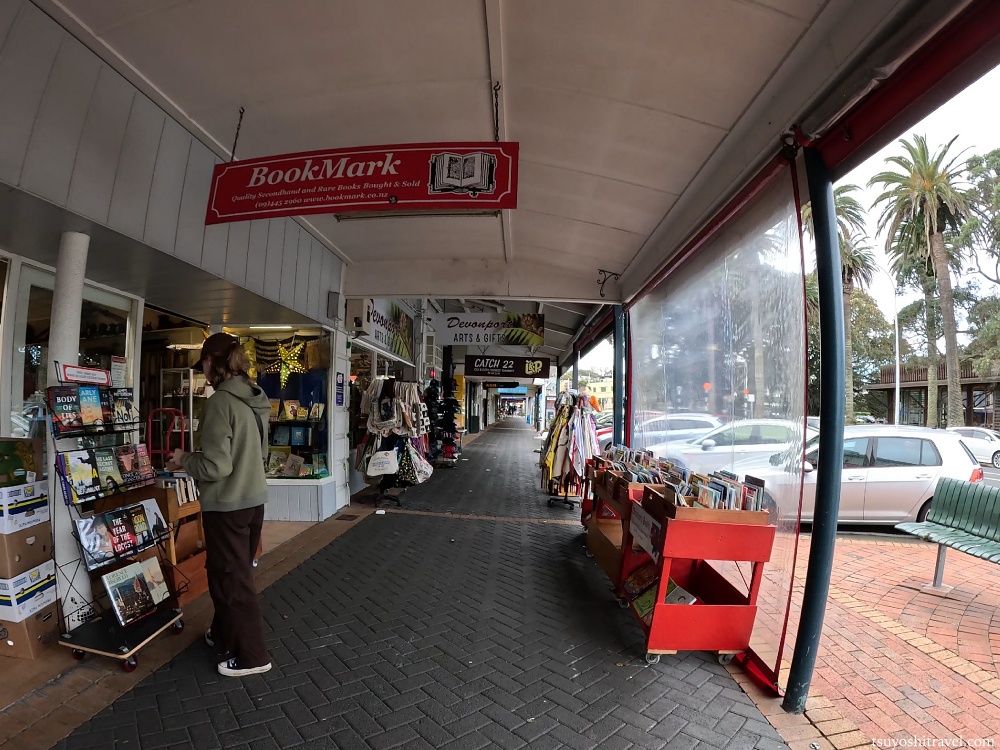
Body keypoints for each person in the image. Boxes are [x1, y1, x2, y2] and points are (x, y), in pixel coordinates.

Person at [167, 332, 272, 677]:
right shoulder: (255, 398)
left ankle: (253, 655)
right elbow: (259, 453)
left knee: (231, 579)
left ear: (212, 362)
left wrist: (184, 459)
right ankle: (224, 635)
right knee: (232, 573)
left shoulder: (219, 403)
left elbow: (216, 466)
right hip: (253, 500)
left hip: (227, 505)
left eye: (204, 364)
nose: (203, 371)